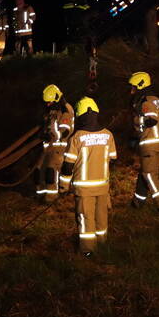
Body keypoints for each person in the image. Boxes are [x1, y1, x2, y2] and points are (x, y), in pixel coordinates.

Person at [59, 97, 117, 256]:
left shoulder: (76, 138)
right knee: (101, 218)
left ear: (81, 116)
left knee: (85, 219)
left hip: (84, 189)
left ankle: (87, 251)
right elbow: (112, 159)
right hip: (103, 187)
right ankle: (103, 246)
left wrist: (63, 187)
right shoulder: (108, 135)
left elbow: (67, 166)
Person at [127, 71, 159, 212]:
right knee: (144, 172)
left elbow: (151, 120)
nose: (131, 90)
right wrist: (134, 137)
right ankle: (138, 201)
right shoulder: (154, 99)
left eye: (133, 87)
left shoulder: (146, 101)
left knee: (149, 174)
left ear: (140, 85)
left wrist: (135, 120)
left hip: (150, 144)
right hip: (155, 143)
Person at [35, 84, 75, 203]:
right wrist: (43, 133)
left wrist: (52, 135)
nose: (47, 104)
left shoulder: (65, 109)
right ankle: (40, 196)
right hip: (47, 146)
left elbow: (65, 131)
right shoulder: (52, 109)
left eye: (50, 102)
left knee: (50, 171)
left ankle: (51, 199)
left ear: (57, 98)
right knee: (38, 170)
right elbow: (47, 125)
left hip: (59, 147)